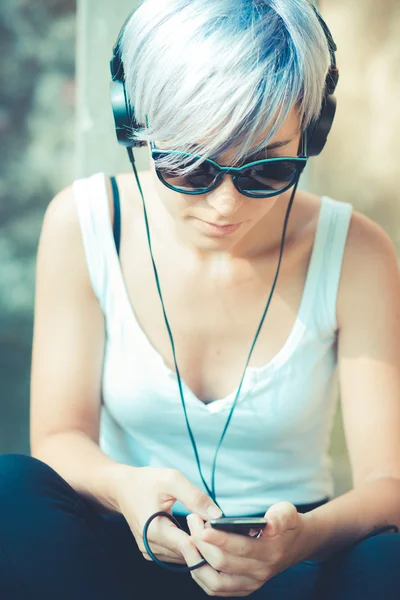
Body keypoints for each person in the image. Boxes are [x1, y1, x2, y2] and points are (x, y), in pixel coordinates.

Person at [1, 0, 400, 598]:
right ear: (134, 123)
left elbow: (389, 481)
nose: (226, 206)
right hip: (128, 540)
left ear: (312, 133)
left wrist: (301, 538)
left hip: (296, 559)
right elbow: (59, 438)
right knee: (11, 489)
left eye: (267, 171)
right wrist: (127, 492)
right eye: (189, 167)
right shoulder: (84, 222)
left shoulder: (357, 252)